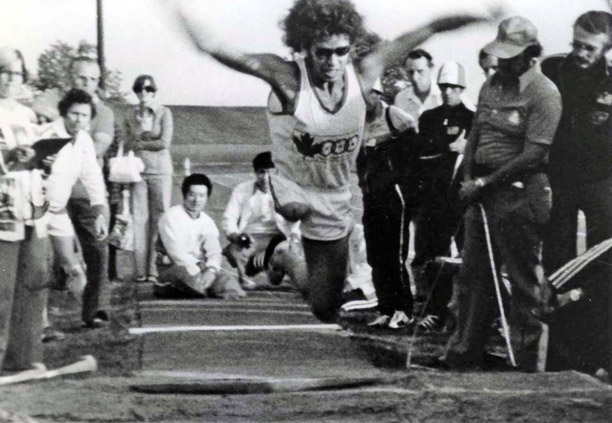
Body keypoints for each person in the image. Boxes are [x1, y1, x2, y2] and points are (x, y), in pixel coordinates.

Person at [171, 0, 485, 322]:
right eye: (323, 52)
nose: (333, 61)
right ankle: (287, 222)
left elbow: (428, 29)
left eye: (341, 50)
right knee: (295, 208)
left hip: (334, 194)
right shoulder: (287, 78)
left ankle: (283, 257)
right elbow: (213, 46)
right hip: (294, 184)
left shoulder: (364, 74)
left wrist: (482, 15)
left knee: (324, 306)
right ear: (305, 47)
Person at [442, 17, 562, 372]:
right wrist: (467, 178)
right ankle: (465, 352)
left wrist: (485, 183)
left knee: (523, 280)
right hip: (480, 193)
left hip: (520, 195)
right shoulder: (490, 86)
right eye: (501, 55)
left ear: (531, 55)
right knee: (473, 275)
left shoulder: (544, 93)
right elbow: (476, 135)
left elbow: (534, 155)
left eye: (511, 57)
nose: (502, 63)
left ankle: (526, 363)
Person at [541, 11, 612, 376]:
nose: (581, 53)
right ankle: (561, 360)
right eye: (577, 45)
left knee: (603, 269)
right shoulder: (554, 70)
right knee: (559, 267)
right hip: (562, 180)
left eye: (590, 48)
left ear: (607, 49)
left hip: (602, 183)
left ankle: (600, 354)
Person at [412, 62, 474, 331]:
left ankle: (468, 315)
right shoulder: (429, 117)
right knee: (433, 256)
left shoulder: (473, 118)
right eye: (444, 87)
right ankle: (434, 311)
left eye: (454, 87)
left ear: (462, 89)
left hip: (462, 198)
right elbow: (422, 154)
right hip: (434, 199)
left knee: (467, 256)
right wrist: (450, 148)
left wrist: (464, 149)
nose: (448, 91)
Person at [41, 89, 109, 328]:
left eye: (84, 115)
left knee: (72, 268)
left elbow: (92, 177)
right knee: (39, 267)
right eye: (74, 114)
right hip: (35, 210)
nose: (79, 120)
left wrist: (100, 209)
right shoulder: (46, 134)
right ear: (64, 112)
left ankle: (90, 313)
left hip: (57, 211)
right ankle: (42, 324)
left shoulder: (84, 140)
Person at [0, 46, 49, 373]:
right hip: (2, 206)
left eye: (16, 73)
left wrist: (46, 159)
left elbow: (36, 159)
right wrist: (8, 157)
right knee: (2, 286)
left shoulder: (28, 115)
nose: (9, 80)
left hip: (30, 205)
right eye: (4, 72)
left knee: (33, 280)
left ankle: (25, 357)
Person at [356, 83, 418, 329]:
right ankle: (386, 307)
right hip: (371, 195)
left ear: (378, 94)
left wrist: (400, 180)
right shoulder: (357, 121)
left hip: (394, 195)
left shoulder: (395, 117)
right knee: (375, 254)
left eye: (368, 93)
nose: (363, 99)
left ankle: (404, 309)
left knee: (395, 254)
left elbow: (414, 155)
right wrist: (363, 182)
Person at [64, 57, 114, 324]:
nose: (88, 84)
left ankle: (96, 309)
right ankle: (41, 321)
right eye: (82, 78)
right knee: (44, 256)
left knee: (97, 249)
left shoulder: (103, 113)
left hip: (86, 191)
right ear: (72, 77)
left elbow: (98, 146)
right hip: (54, 193)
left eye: (93, 79)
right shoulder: (60, 105)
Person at [222, 151, 306, 291]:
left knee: (288, 251)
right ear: (255, 173)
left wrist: (295, 238)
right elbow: (229, 218)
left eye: (270, 173)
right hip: (251, 239)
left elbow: (296, 221)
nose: (266, 178)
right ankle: (245, 276)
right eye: (261, 172)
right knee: (234, 251)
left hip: (277, 238)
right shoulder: (241, 190)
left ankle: (277, 268)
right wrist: (236, 236)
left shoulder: (285, 191)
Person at [155, 173, 245, 299]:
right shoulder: (171, 216)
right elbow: (176, 254)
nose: (197, 200)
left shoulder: (207, 221)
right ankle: (192, 288)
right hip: (175, 267)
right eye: (192, 195)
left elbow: (214, 252)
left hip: (202, 269)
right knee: (190, 280)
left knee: (232, 285)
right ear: (185, 195)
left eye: (202, 196)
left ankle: (200, 289)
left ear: (207, 197)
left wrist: (212, 270)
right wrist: (201, 270)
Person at [124, 75, 174, 283]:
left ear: (154, 91)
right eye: (140, 89)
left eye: (148, 89)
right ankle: (140, 271)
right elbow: (127, 141)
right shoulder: (130, 115)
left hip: (161, 172)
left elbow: (164, 142)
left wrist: (142, 143)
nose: (144, 93)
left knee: (159, 219)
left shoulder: (164, 112)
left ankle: (154, 268)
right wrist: (141, 139)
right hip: (138, 172)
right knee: (139, 220)